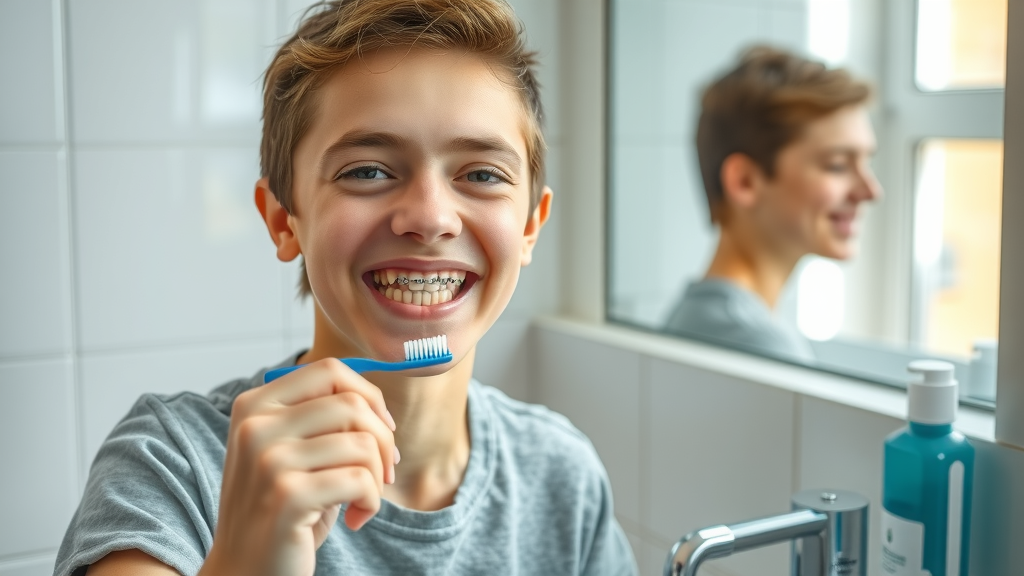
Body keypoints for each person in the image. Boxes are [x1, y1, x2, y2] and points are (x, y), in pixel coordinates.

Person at [54, 1, 637, 574]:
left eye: (482, 174)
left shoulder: (564, 476)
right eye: (367, 171)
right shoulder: (170, 466)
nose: (431, 217)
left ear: (531, 225)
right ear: (285, 221)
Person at [663, 46, 882, 363]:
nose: (871, 191)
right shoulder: (759, 345)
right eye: (837, 165)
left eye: (866, 162)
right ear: (745, 182)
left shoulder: (697, 314)